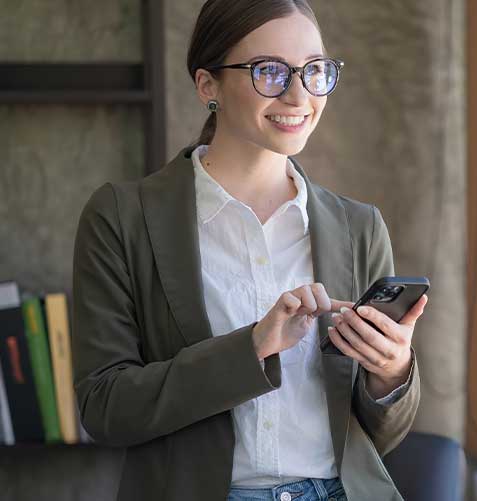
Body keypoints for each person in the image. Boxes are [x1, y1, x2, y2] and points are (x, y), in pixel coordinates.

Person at [72, 1, 428, 500]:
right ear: (207, 85)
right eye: (269, 71)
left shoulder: (359, 226)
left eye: (314, 71)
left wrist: (391, 373)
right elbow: (105, 409)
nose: (299, 94)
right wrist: (252, 348)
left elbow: (377, 438)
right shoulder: (122, 217)